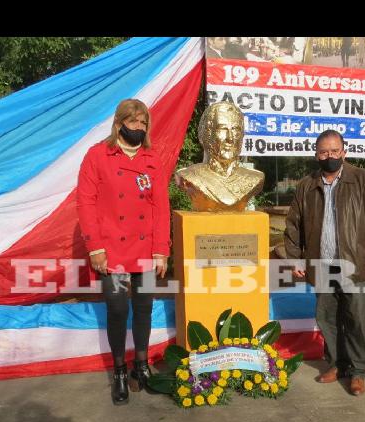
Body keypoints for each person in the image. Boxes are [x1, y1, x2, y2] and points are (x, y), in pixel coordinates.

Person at [284, 130, 365, 396]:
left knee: (357, 318)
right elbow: (293, 224)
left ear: (344, 151)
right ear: (316, 154)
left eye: (334, 151)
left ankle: (358, 371)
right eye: (324, 152)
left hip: (356, 264)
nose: (330, 156)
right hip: (322, 264)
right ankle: (335, 364)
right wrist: (295, 257)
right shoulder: (306, 185)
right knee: (327, 317)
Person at [76, 98, 170, 406]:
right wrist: (96, 248)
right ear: (119, 124)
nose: (139, 128)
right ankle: (118, 369)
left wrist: (161, 250)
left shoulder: (152, 159)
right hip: (111, 249)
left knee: (144, 306)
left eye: (144, 123)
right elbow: (86, 203)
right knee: (117, 308)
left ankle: (140, 366)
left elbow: (160, 208)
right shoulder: (97, 156)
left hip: (145, 248)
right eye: (134, 123)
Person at [175, 101, 264, 212]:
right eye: (222, 129)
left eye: (236, 129)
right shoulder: (188, 176)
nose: (230, 138)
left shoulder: (255, 178)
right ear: (206, 134)